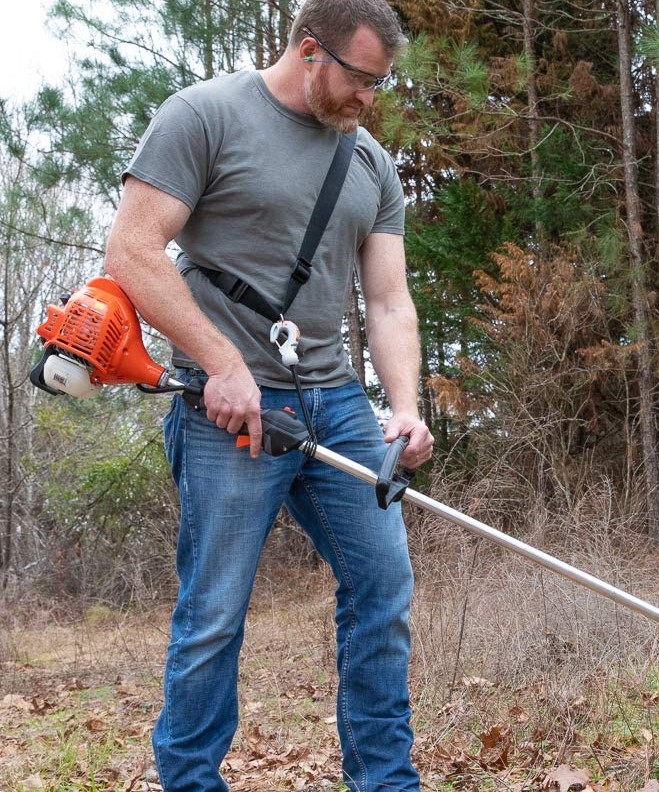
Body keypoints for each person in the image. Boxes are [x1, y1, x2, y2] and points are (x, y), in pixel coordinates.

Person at [103, 1, 432, 789]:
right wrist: (219, 361)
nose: (370, 100)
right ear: (310, 52)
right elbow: (133, 249)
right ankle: (190, 781)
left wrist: (406, 405)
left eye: (382, 84)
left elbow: (388, 303)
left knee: (382, 591)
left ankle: (386, 780)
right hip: (229, 418)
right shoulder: (204, 116)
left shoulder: (367, 162)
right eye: (362, 80)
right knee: (215, 615)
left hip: (337, 403)